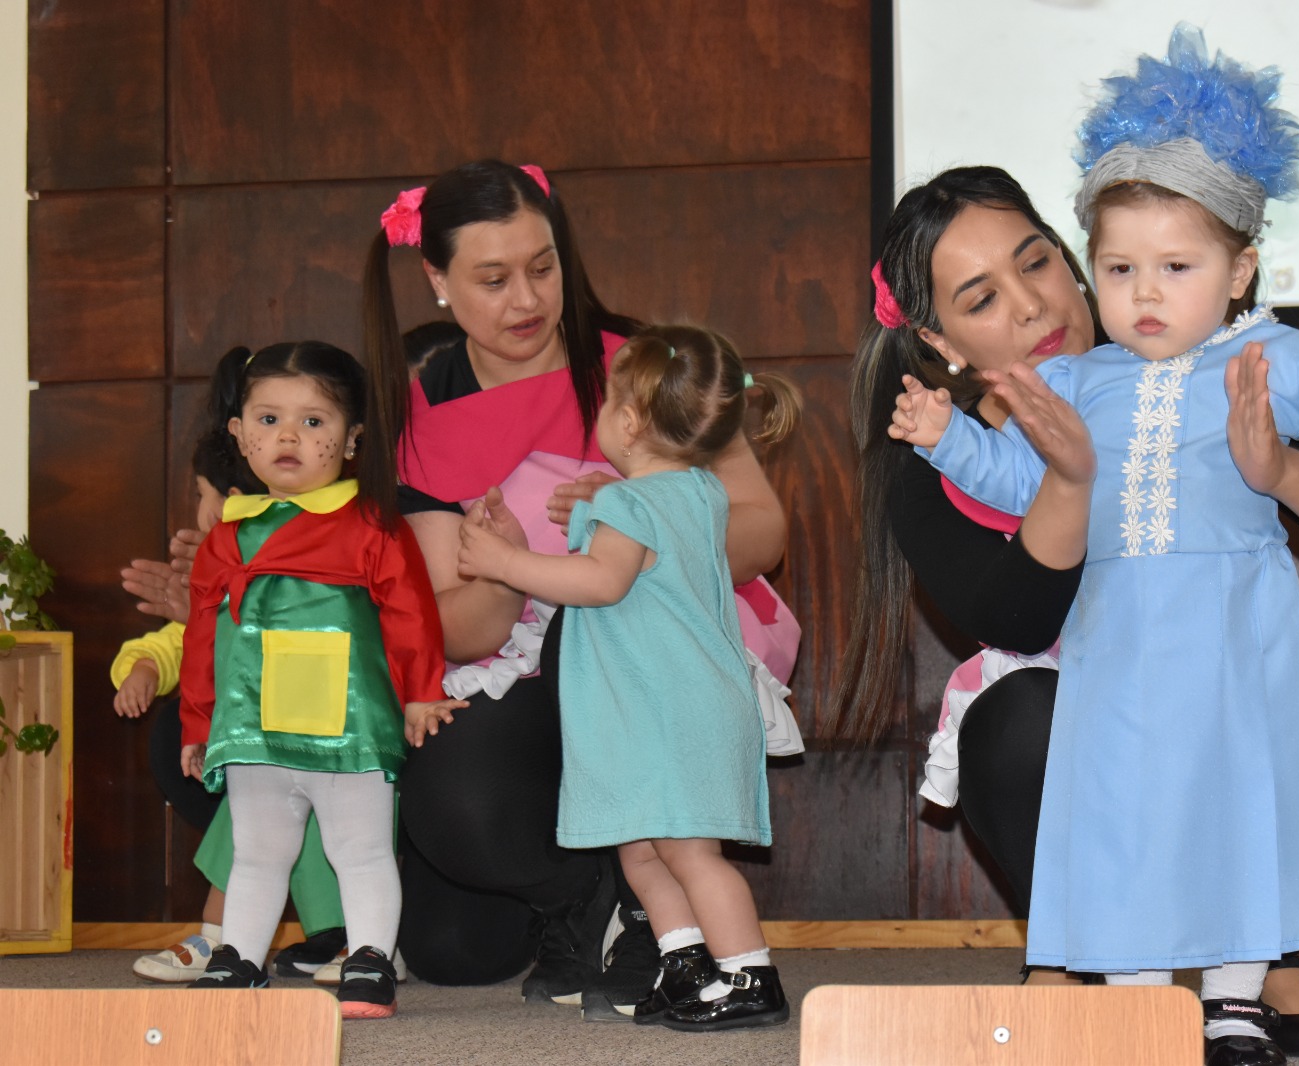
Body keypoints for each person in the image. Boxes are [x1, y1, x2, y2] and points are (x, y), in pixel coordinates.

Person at [888, 27, 1299, 1065]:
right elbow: (1009, 488)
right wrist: (949, 433)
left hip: (1234, 642)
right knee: (1125, 811)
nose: (1137, 292)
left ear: (1237, 271)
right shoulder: (1081, 390)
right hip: (1118, 659)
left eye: (1036, 262)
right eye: (1122, 266)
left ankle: (1237, 992)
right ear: (939, 338)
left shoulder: (1257, 357)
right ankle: (1132, 993)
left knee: (1239, 799)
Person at [362, 159, 798, 1017]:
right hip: (525, 662)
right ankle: (589, 890)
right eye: (493, 279)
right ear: (437, 281)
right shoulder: (424, 418)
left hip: (663, 652)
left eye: (543, 266)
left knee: (590, 622)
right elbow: (465, 629)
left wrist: (647, 519)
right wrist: (503, 559)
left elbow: (762, 528)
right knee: (451, 945)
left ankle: (646, 898)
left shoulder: (642, 367)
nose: (526, 300)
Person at [457, 324, 801, 1032]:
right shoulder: (700, 493)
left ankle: (750, 973)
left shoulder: (630, 503)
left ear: (629, 419)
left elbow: (602, 581)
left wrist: (503, 563)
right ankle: (686, 965)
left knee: (686, 855)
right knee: (643, 853)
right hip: (681, 704)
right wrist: (585, 513)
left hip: (666, 710)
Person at [178, 341, 465, 1020]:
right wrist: (199, 721)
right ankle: (239, 958)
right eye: (269, 418)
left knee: (361, 850)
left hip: (348, 725)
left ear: (352, 438)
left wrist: (421, 691)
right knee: (257, 852)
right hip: (254, 730)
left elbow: (411, 613)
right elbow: (201, 638)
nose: (288, 436)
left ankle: (368, 958)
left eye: (313, 422)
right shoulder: (227, 537)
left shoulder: (371, 524)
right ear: (239, 433)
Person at [115, 352, 351, 985]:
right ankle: (288, 937)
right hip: (255, 737)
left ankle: (229, 935)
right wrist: (138, 665)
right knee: (255, 812)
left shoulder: (335, 548)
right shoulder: (218, 574)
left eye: (203, 498)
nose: (200, 513)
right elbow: (179, 642)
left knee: (267, 813)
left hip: (327, 730)